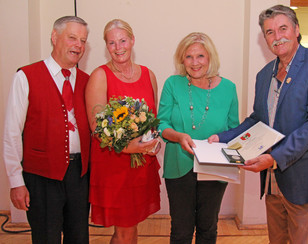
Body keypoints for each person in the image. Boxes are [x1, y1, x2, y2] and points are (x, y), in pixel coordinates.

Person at [208, 5, 308, 244]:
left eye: (283, 28)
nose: (277, 36)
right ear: (265, 38)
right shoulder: (264, 74)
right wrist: (223, 137)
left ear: (297, 29)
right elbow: (257, 120)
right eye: (270, 32)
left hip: (305, 179)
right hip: (273, 181)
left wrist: (276, 157)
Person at [3, 16, 91, 243]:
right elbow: (12, 133)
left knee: (79, 237)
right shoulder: (26, 76)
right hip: (41, 178)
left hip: (80, 177)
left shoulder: (87, 81)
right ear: (54, 37)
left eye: (83, 40)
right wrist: (16, 182)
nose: (78, 45)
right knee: (46, 238)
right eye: (72, 38)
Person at [157, 32, 240, 244]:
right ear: (181, 60)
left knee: (208, 227)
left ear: (210, 57)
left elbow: (234, 129)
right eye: (189, 57)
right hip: (179, 165)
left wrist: (222, 137)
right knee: (181, 230)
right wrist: (178, 136)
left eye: (200, 56)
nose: (195, 63)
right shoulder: (172, 84)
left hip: (214, 167)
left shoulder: (229, 89)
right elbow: (162, 124)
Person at [85, 19, 161, 244]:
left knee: (130, 229)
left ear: (132, 40)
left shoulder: (149, 75)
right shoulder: (100, 76)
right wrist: (130, 147)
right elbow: (96, 128)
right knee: (126, 231)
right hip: (115, 166)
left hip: (141, 166)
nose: (118, 47)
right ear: (106, 46)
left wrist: (152, 141)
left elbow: (153, 120)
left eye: (122, 40)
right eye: (111, 43)